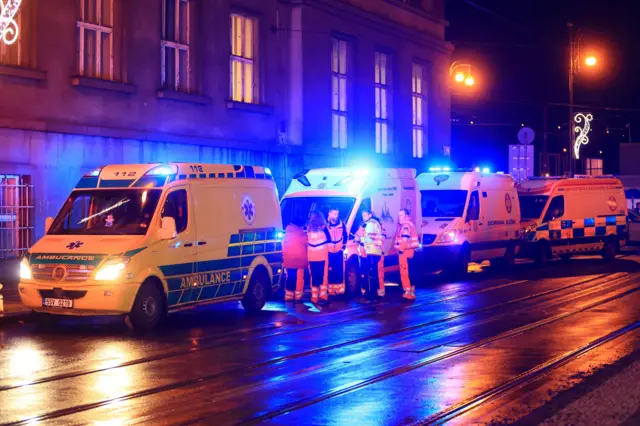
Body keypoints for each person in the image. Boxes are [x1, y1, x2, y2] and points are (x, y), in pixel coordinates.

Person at [394, 208, 420, 300]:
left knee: (404, 272)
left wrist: (400, 249)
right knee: (410, 271)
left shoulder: (405, 226)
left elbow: (404, 239)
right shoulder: (409, 225)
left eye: (401, 215)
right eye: (399, 215)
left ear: (406, 216)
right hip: (409, 251)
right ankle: (411, 291)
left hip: (405, 252)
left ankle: (408, 291)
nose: (399, 217)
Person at [307, 211, 331, 305]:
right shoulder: (324, 228)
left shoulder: (308, 228)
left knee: (314, 276)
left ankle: (314, 298)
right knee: (323, 276)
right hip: (322, 255)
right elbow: (329, 239)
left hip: (311, 255)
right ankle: (323, 296)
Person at [282, 217, 308, 302]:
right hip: (299, 259)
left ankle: (289, 296)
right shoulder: (300, 232)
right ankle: (298, 296)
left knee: (290, 277)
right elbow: (307, 241)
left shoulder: (286, 232)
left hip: (289, 259)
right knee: (299, 278)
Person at [360, 209, 383, 301]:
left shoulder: (371, 224)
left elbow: (370, 237)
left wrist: (361, 240)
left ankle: (372, 294)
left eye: (365, 215)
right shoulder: (373, 223)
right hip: (374, 251)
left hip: (372, 251)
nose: (363, 217)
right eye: (363, 216)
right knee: (373, 273)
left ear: (370, 215)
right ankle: (374, 293)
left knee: (371, 273)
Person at [326, 208, 348, 297]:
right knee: (330, 271)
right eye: (334, 214)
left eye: (337, 214)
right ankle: (331, 290)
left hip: (339, 251)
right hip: (329, 251)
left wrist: (343, 246)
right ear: (329, 214)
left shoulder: (342, 224)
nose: (336, 216)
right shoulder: (326, 225)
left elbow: (345, 235)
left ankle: (340, 290)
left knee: (339, 271)